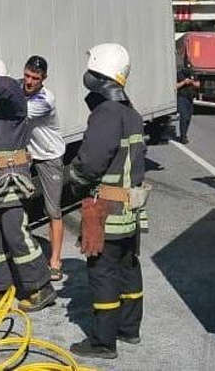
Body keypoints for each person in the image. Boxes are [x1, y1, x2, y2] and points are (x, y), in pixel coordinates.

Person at [68, 43, 148, 361]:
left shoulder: (106, 114)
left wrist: (73, 180)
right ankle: (130, 329)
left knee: (102, 270)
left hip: (106, 211)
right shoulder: (133, 114)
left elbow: (90, 163)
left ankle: (103, 341)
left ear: (100, 75)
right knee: (129, 266)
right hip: (130, 209)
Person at [0, 55, 57, 312]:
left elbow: (6, 86)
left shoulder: (15, 101)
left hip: (9, 180)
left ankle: (40, 286)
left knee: (16, 233)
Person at [22, 55, 66, 282]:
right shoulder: (19, 87)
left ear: (43, 79)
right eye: (27, 76)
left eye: (35, 78)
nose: (29, 82)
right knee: (16, 204)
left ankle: (55, 261)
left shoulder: (45, 100)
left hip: (49, 155)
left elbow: (17, 112)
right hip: (28, 153)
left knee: (52, 210)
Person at [175, 63, 199, 144]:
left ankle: (185, 134)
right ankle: (183, 136)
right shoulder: (178, 74)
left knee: (188, 118)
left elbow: (198, 85)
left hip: (190, 99)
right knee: (184, 117)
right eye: (187, 68)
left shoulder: (193, 74)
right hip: (182, 98)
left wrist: (192, 82)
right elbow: (175, 86)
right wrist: (184, 82)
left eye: (190, 68)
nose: (188, 70)